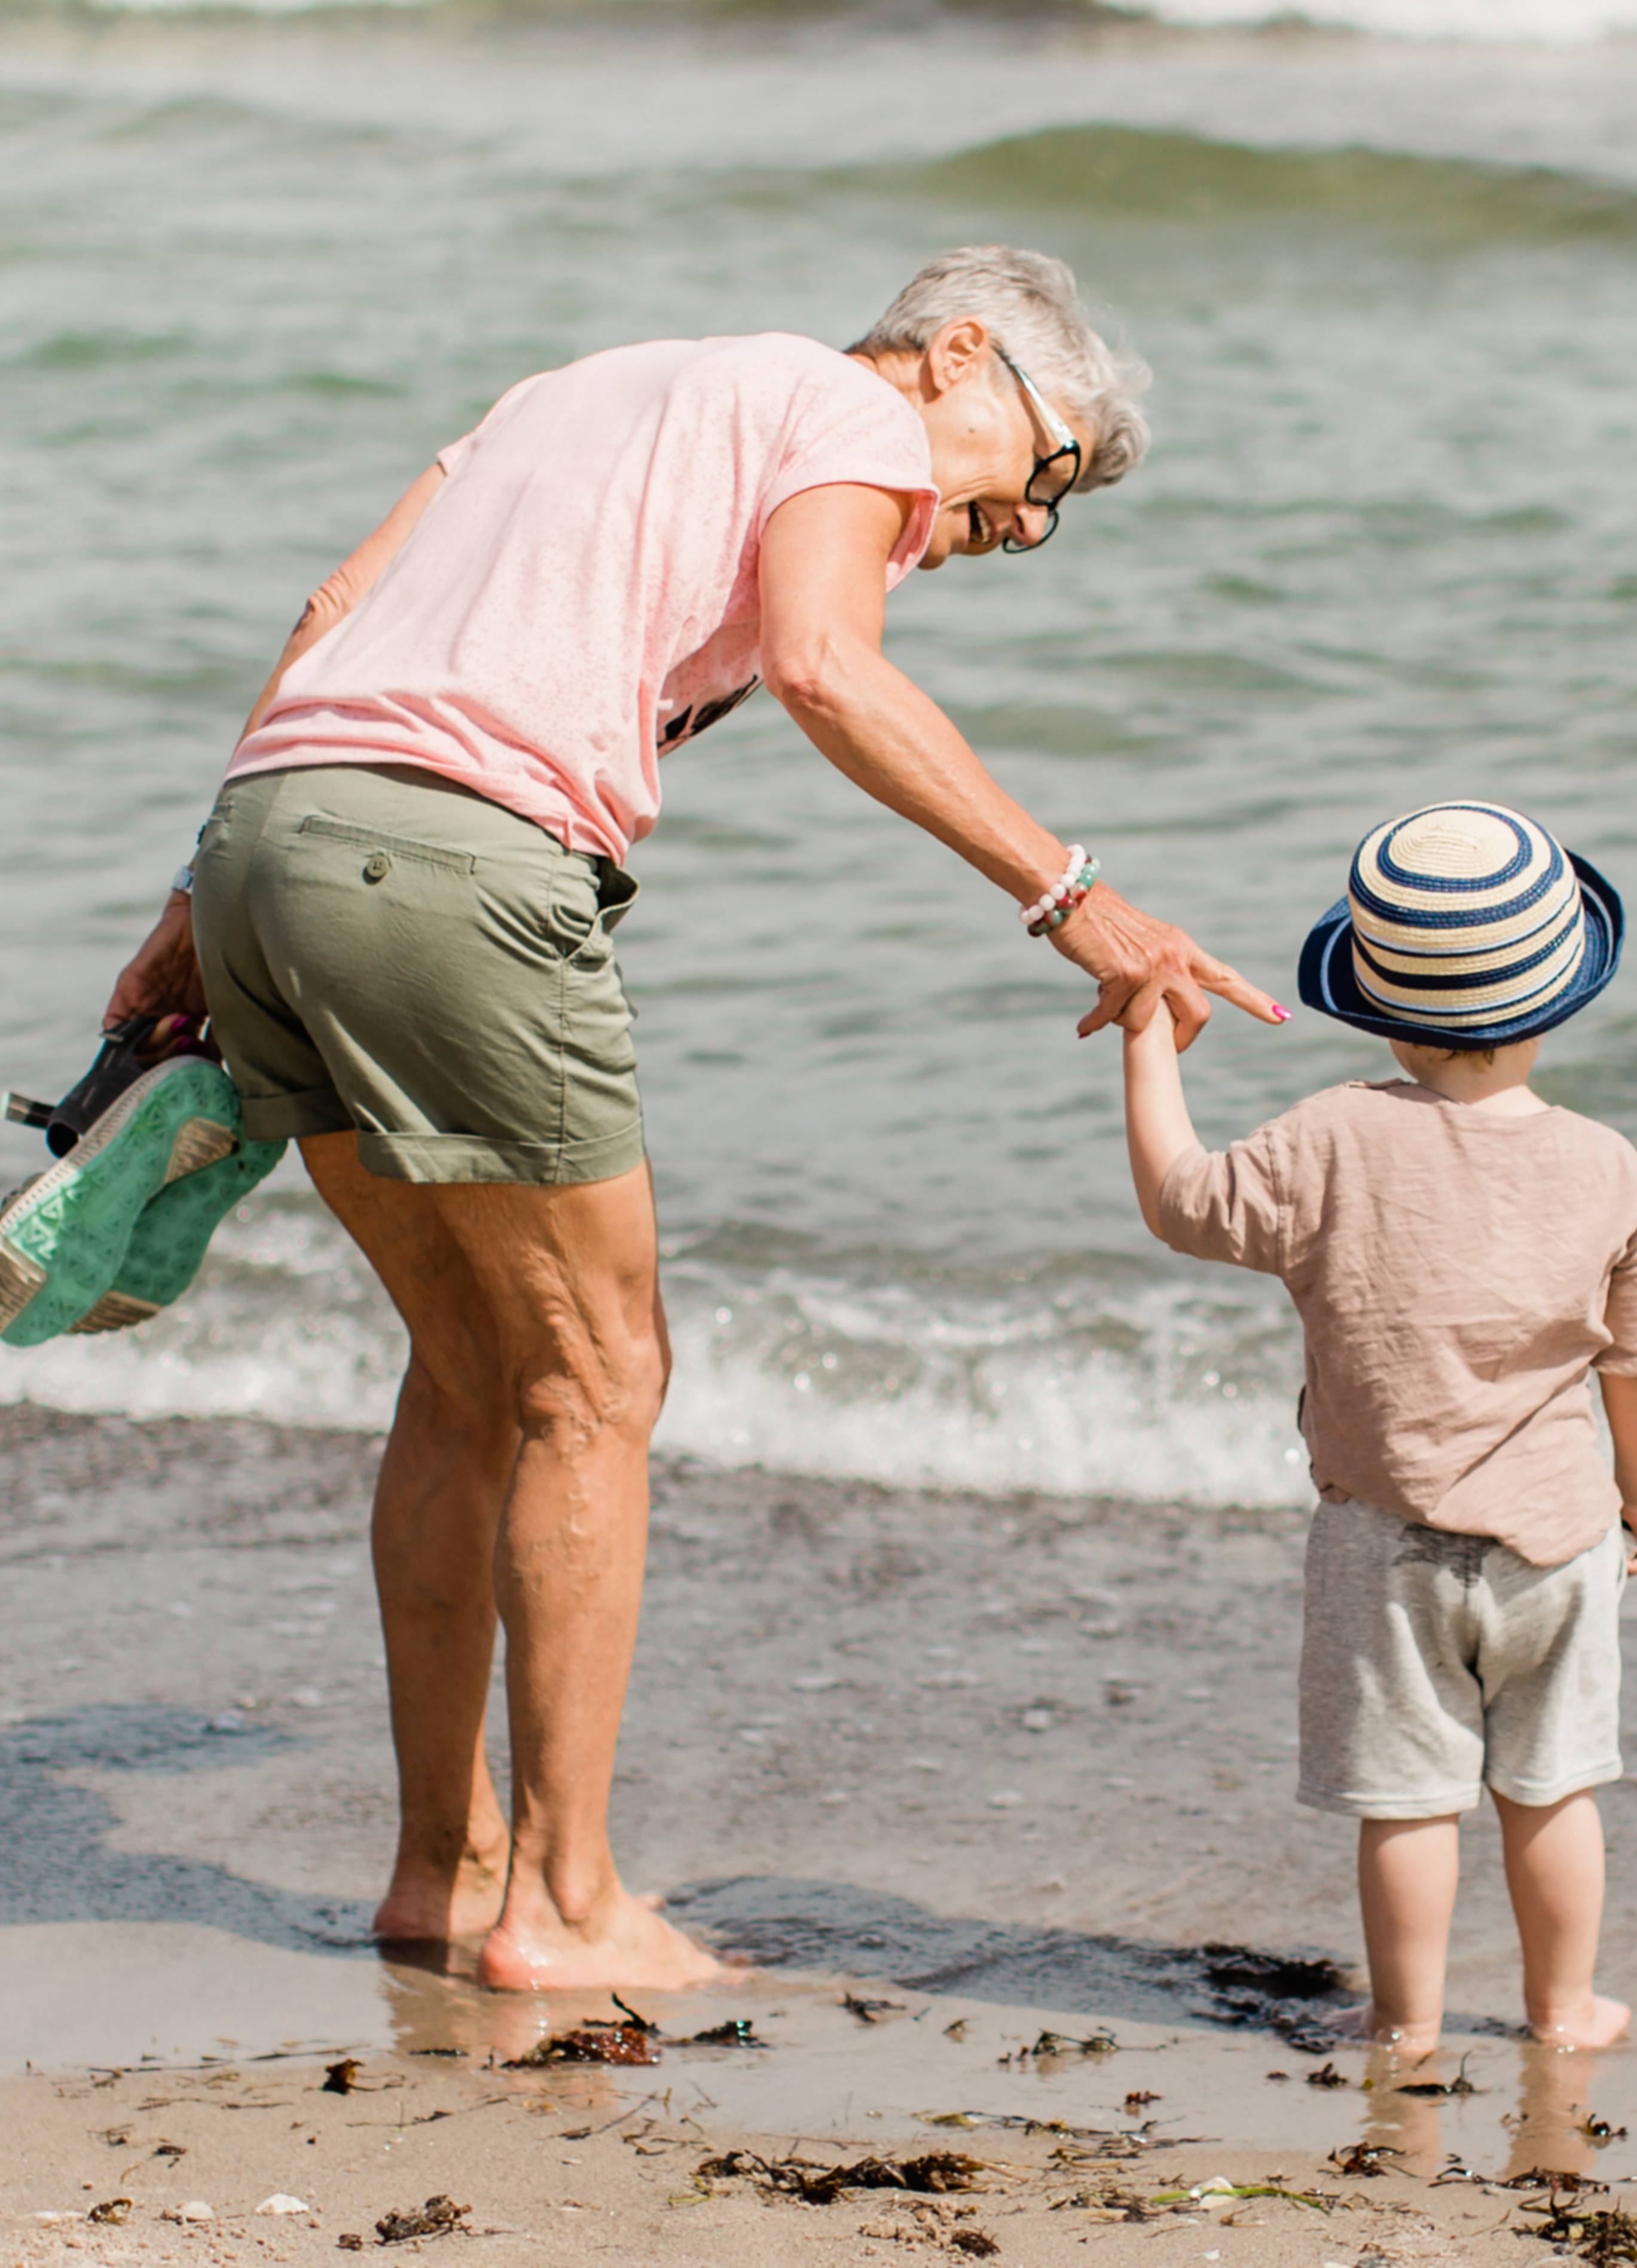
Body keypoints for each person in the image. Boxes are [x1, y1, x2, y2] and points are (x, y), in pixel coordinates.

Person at [101, 247, 1282, 1994]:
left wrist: (199, 898)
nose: (1031, 530)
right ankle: (569, 1906)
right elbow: (824, 665)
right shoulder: (839, 409)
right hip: (451, 860)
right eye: (1047, 473)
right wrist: (1072, 893)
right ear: (958, 352)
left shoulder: (574, 389)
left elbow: (335, 613)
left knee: (469, 1363)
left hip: (275, 837)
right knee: (598, 1375)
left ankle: (448, 1868)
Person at [1120, 799, 1637, 2055]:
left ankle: (1410, 2021)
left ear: (1373, 997)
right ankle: (1562, 2007)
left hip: (1383, 1542)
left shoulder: (1330, 1136)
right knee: (1552, 1786)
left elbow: (1179, 1201)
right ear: (1557, 994)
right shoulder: (1609, 1165)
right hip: (1559, 1540)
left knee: (1409, 1802)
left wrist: (1150, 1035)